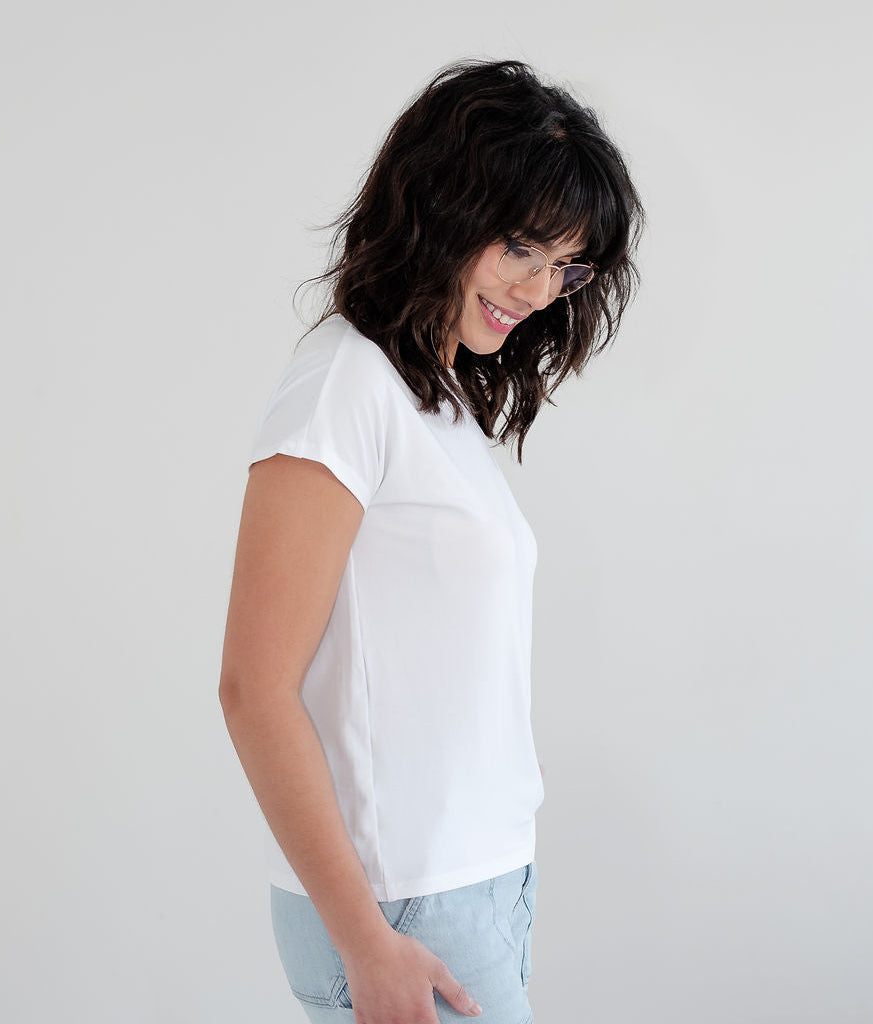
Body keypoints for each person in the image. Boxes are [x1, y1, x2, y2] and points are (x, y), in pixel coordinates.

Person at [219, 58, 645, 1024]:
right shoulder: (346, 385)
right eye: (523, 249)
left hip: (472, 891)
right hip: (405, 907)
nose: (543, 290)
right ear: (441, 211)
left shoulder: (437, 400)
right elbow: (253, 686)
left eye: (567, 266)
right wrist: (365, 939)